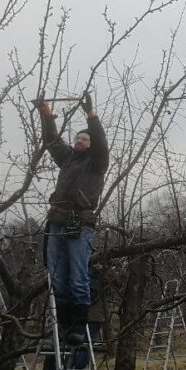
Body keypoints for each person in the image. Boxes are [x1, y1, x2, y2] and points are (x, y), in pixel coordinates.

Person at [35, 92, 109, 343]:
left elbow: (101, 141)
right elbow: (53, 141)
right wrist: (46, 115)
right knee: (57, 277)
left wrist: (91, 116)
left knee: (79, 276)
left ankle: (78, 327)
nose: (80, 141)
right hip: (57, 220)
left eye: (85, 139)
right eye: (77, 138)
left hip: (81, 223)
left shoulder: (97, 163)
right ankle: (65, 328)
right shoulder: (67, 159)